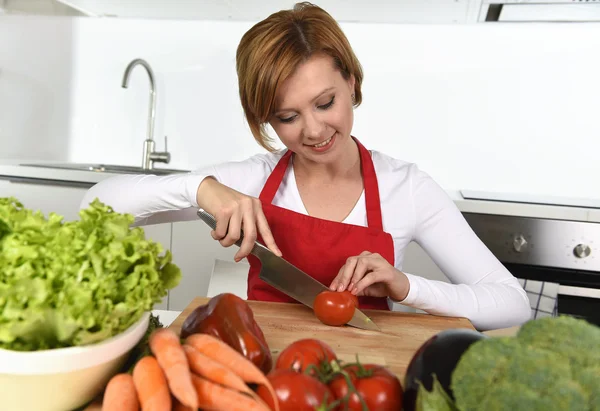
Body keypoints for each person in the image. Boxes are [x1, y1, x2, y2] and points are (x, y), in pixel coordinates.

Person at [80, 2, 531, 331]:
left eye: (325, 103)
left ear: (351, 82)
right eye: (288, 117)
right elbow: (95, 205)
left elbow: (512, 303)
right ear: (266, 118)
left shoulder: (406, 188)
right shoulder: (252, 180)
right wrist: (202, 189)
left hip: (363, 376)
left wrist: (405, 287)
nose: (313, 131)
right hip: (266, 374)